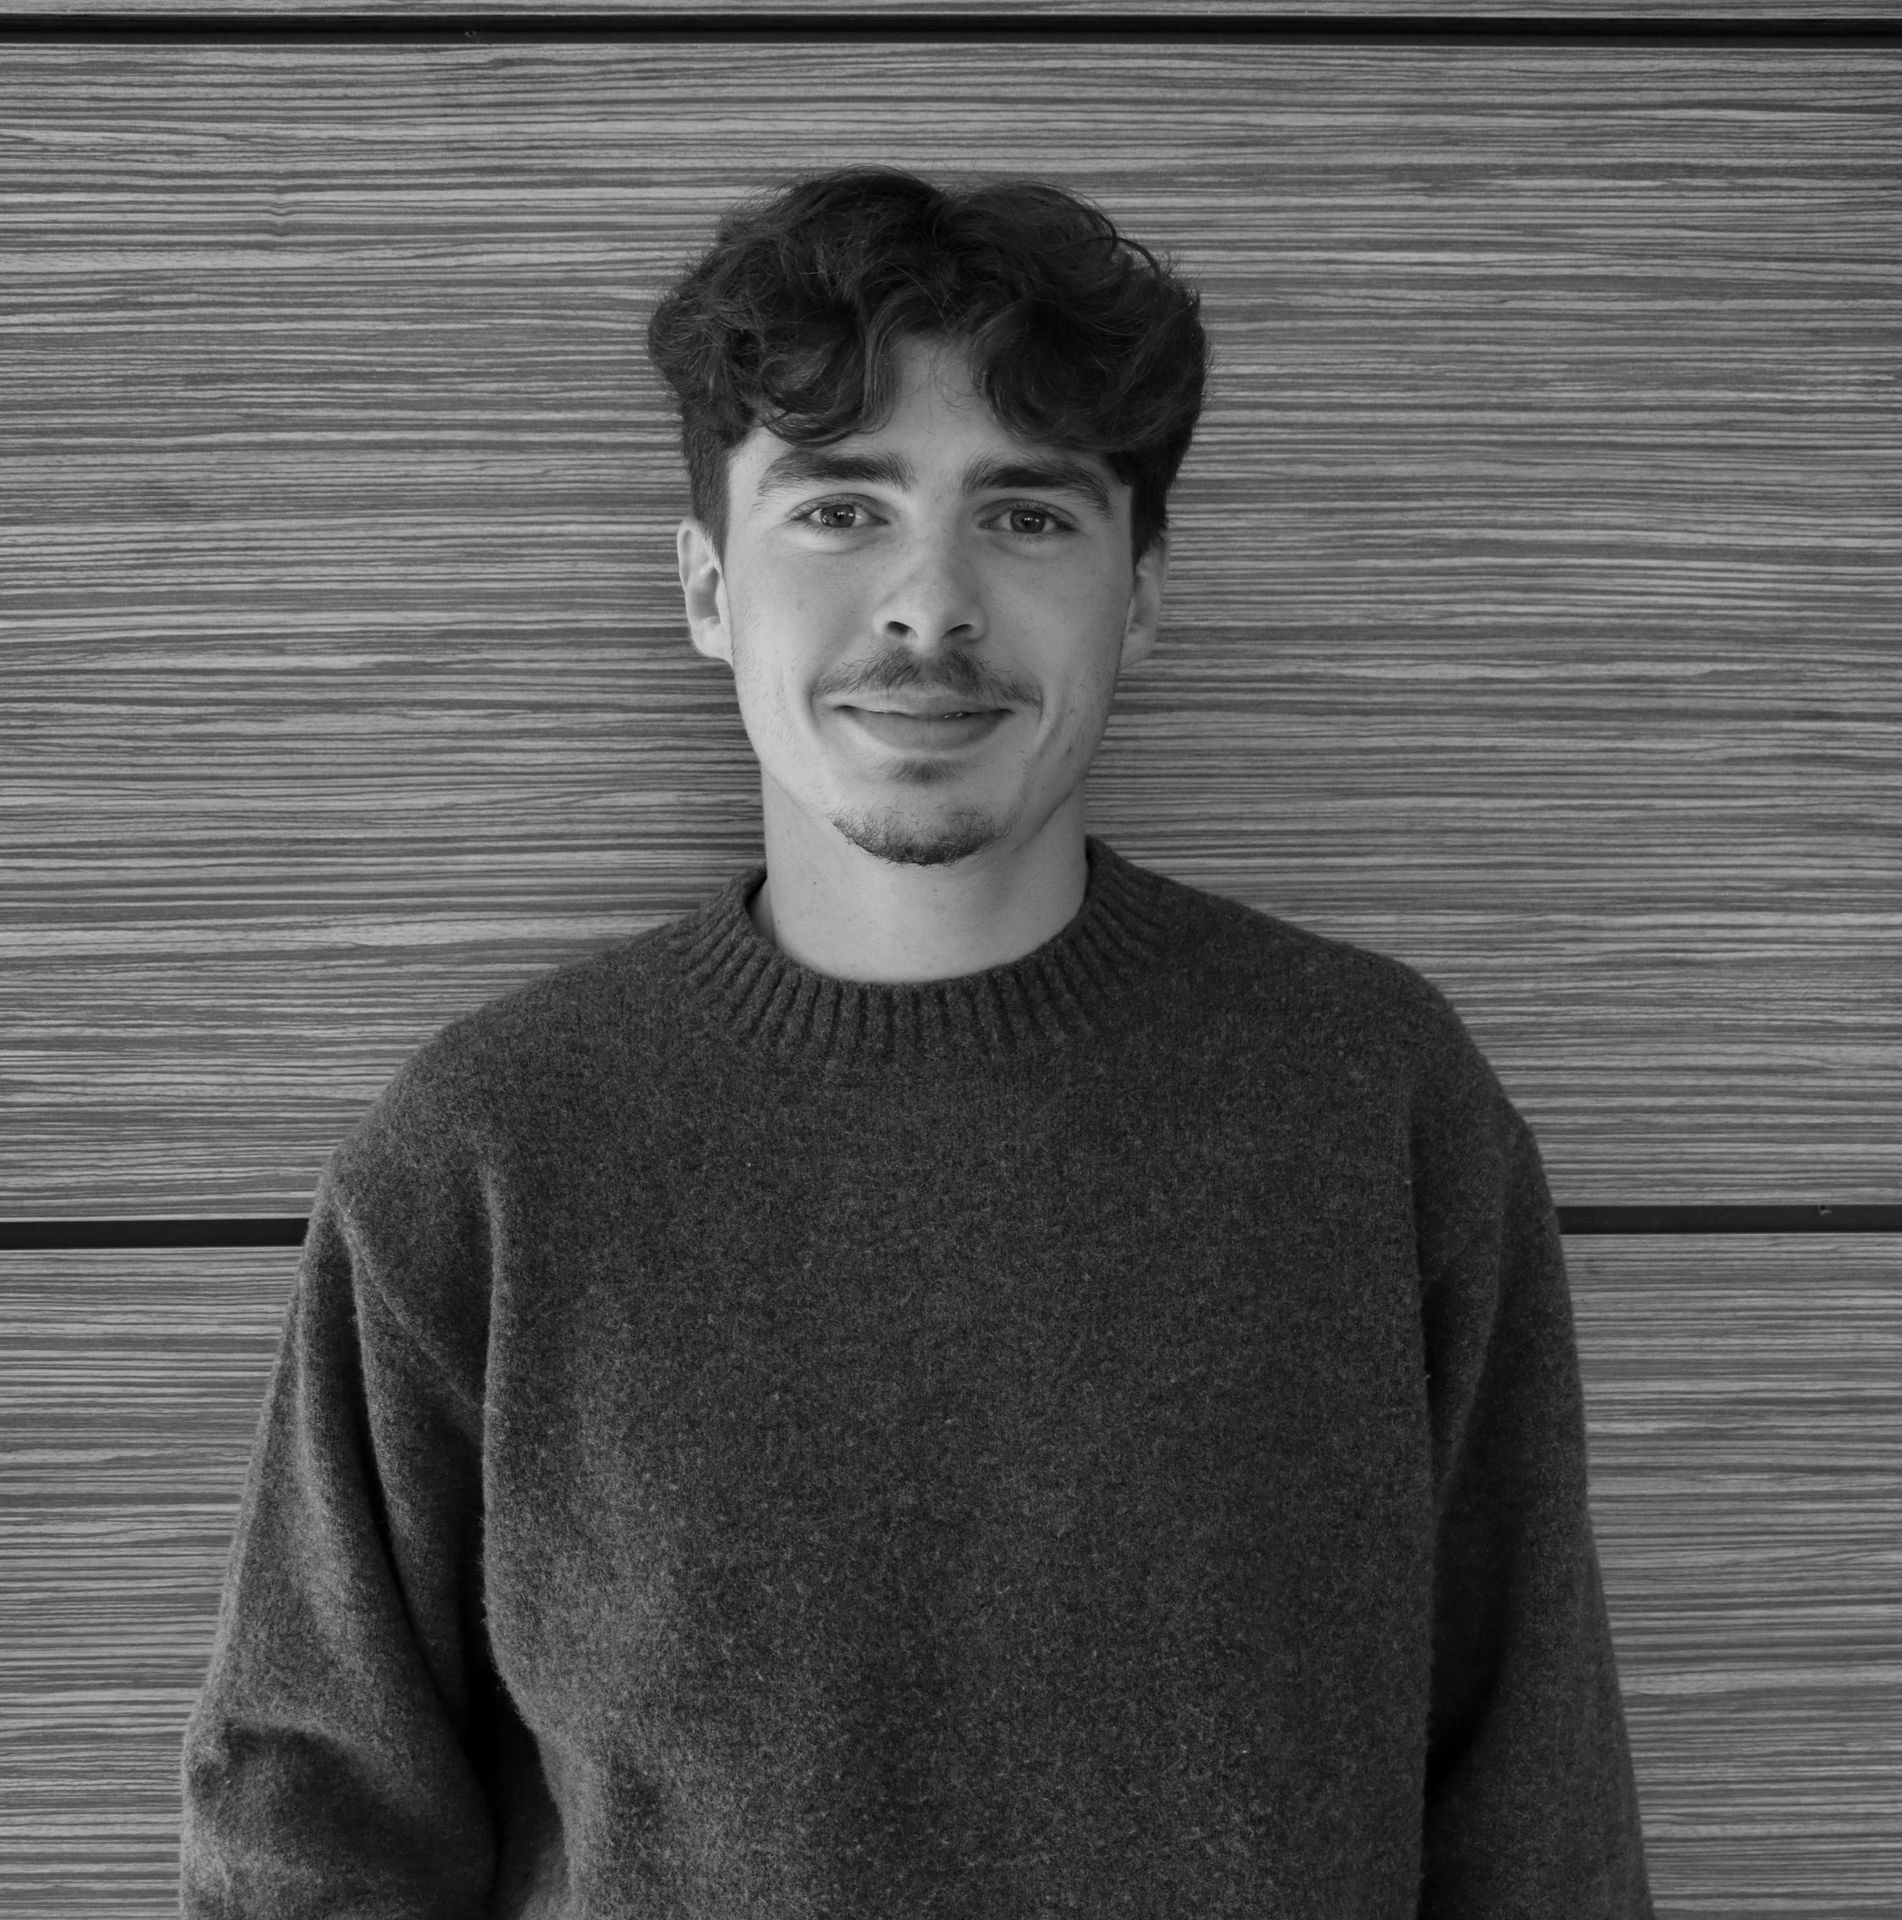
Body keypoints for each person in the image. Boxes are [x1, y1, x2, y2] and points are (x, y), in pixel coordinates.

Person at [179, 167, 1654, 1917]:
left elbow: (1537, 1821)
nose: (929, 604)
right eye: (838, 508)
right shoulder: (489, 1155)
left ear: (1143, 591)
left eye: (1025, 514)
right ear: (707, 588)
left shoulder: (1372, 1100)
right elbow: (313, 1838)